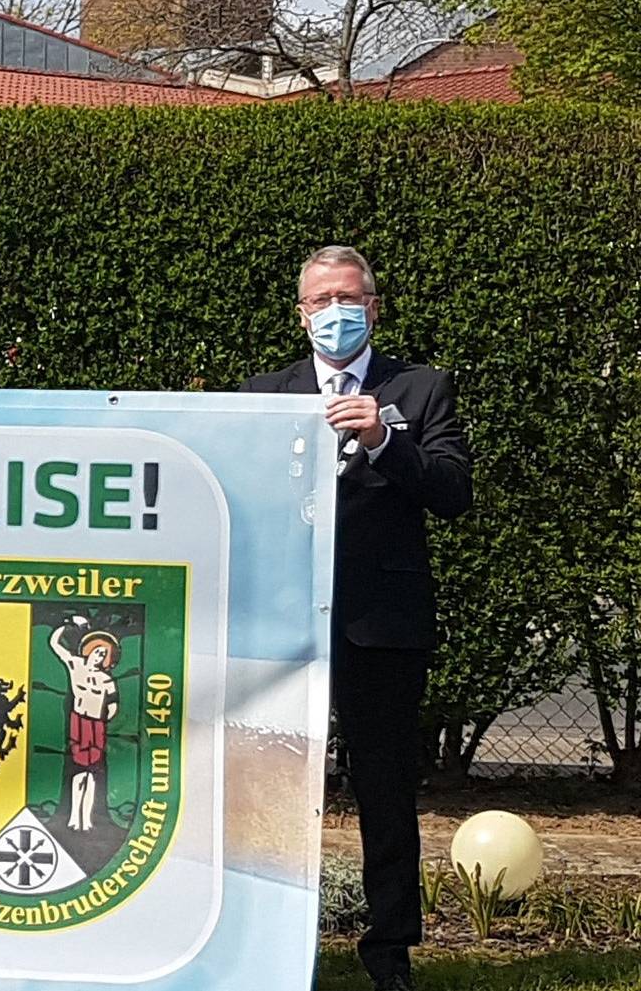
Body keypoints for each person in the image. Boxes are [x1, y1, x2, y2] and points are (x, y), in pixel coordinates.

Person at [241, 245, 472, 991]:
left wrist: (382, 438)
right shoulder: (266, 393)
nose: (332, 310)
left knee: (383, 788)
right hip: (284, 626)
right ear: (301, 312)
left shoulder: (421, 388)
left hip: (381, 622)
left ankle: (390, 952)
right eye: (319, 299)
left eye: (347, 296)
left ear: (372, 306)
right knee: (272, 786)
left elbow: (452, 491)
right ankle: (272, 939)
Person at [49, 618, 118, 833]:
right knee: (78, 771)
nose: (99, 656)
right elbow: (55, 645)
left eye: (103, 654)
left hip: (96, 724)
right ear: (89, 652)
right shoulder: (75, 665)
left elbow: (113, 702)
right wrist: (66, 624)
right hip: (78, 722)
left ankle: (86, 818)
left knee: (91, 773)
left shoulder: (105, 679)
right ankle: (73, 817)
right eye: (97, 652)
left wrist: (107, 717)